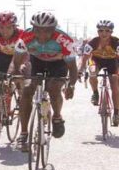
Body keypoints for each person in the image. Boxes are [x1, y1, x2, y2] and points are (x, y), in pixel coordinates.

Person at [13, 11, 77, 151]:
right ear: (33, 28)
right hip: (37, 62)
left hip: (58, 64)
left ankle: (57, 116)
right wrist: (16, 75)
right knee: (27, 91)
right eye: (38, 30)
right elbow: (16, 61)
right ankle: (23, 134)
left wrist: (71, 85)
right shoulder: (25, 37)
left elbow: (72, 67)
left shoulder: (64, 40)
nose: (42, 34)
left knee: (53, 88)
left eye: (46, 31)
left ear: (53, 30)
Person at [78, 20, 119, 125]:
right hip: (97, 60)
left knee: (115, 84)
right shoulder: (92, 42)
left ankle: (116, 113)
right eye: (101, 30)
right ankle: (95, 93)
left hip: (112, 62)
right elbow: (84, 58)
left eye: (107, 31)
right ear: (98, 31)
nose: (104, 33)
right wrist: (80, 70)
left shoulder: (116, 42)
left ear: (111, 32)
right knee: (92, 72)